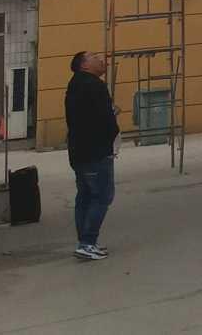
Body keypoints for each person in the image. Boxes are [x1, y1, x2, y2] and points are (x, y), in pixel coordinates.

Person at [64, 51, 119, 261]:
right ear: (84, 65)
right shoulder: (95, 85)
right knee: (102, 195)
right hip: (96, 151)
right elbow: (105, 119)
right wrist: (111, 136)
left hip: (78, 151)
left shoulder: (74, 85)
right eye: (94, 57)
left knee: (85, 196)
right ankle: (87, 243)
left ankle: (85, 242)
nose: (101, 60)